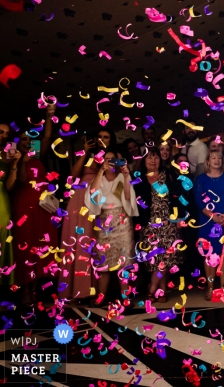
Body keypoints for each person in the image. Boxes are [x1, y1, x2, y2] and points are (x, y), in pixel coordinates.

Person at [58, 128, 118, 302]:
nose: (101, 139)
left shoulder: (112, 157)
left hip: (99, 200)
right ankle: (74, 290)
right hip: (79, 201)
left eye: (105, 137)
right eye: (98, 136)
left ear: (111, 140)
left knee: (93, 242)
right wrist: (85, 153)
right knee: (76, 241)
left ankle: (92, 290)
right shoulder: (88, 155)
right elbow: (73, 175)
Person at [6, 105, 56, 306]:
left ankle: (35, 288)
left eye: (30, 139)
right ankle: (25, 289)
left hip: (42, 209)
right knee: (25, 247)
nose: (28, 142)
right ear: (18, 142)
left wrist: (49, 115)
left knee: (40, 247)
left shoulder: (38, 154)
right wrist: (21, 161)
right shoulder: (15, 159)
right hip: (24, 206)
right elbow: (18, 181)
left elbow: (47, 137)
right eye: (23, 139)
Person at [84, 147, 139, 307]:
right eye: (106, 159)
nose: (110, 162)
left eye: (112, 159)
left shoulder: (122, 177)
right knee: (104, 262)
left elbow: (128, 198)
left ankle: (126, 299)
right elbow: (93, 193)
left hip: (122, 221)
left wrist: (127, 175)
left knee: (124, 262)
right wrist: (100, 171)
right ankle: (101, 297)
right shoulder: (98, 178)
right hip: (103, 221)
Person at [133, 149, 185, 303]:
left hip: (168, 223)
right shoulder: (139, 179)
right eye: (149, 157)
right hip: (148, 225)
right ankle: (161, 291)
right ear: (144, 161)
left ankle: (152, 288)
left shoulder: (168, 175)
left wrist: (180, 217)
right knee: (155, 260)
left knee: (166, 258)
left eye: (155, 157)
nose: (153, 160)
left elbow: (178, 196)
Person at [194, 151, 224, 301]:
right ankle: (210, 288)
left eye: (220, 157)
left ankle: (222, 288)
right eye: (213, 157)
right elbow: (199, 202)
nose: (217, 160)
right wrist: (213, 216)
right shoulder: (201, 179)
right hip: (208, 221)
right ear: (207, 161)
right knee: (209, 255)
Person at [0, 122, 16, 288]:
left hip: (1, 201)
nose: (4, 136)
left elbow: (10, 186)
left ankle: (3, 288)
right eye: (1, 132)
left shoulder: (10, 151)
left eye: (7, 134)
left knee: (3, 238)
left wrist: (15, 165)